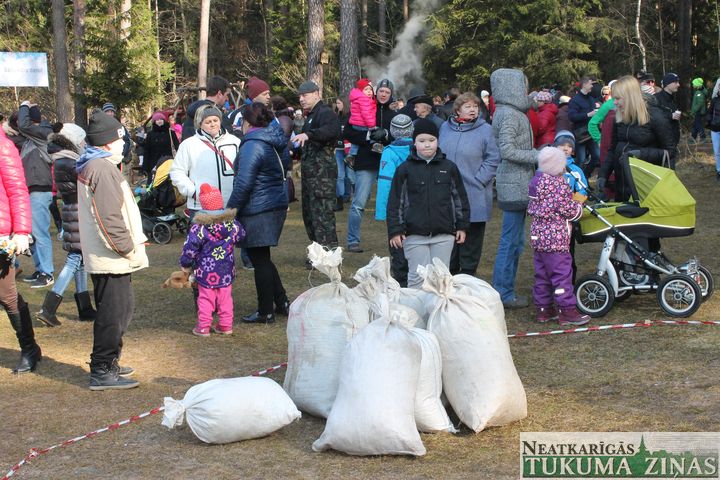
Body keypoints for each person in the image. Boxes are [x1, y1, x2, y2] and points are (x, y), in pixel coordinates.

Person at [76, 110, 149, 390]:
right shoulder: (101, 169)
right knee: (113, 314)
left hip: (110, 255)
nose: (124, 142)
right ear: (107, 142)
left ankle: (110, 360)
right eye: (120, 138)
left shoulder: (100, 165)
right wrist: (127, 247)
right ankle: (102, 368)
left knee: (122, 309)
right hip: (110, 255)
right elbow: (108, 217)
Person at [227, 103, 291, 324]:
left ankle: (265, 310)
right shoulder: (273, 139)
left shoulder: (252, 144)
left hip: (258, 206)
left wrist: (230, 210)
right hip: (273, 203)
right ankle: (281, 301)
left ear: (246, 122)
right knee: (262, 257)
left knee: (259, 259)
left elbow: (244, 182)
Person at [387, 118, 470, 289]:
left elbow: (459, 199)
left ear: (438, 141)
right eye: (422, 141)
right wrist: (396, 230)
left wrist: (462, 226)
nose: (427, 145)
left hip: (444, 234)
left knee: (441, 279)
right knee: (418, 278)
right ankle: (415, 307)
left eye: (431, 140)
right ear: (414, 142)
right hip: (414, 235)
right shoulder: (404, 169)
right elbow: (395, 202)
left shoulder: (449, 168)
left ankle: (439, 307)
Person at [36, 124, 97, 327]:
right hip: (78, 212)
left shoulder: (63, 160)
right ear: (74, 141)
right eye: (82, 141)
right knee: (74, 259)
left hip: (74, 211)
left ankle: (85, 308)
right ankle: (48, 309)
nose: (84, 144)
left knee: (80, 259)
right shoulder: (69, 162)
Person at [490, 68, 539, 309]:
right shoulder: (509, 115)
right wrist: (538, 155)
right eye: (523, 87)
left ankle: (505, 290)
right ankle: (503, 292)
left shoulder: (511, 111)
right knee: (510, 242)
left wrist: (535, 101)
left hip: (517, 183)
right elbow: (507, 150)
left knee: (515, 242)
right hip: (513, 184)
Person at [439, 92, 500, 276]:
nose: (473, 110)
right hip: (447, 193)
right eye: (468, 106)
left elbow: (493, 158)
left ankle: (467, 277)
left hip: (475, 193)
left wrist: (480, 180)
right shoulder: (445, 128)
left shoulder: (486, 130)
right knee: (449, 241)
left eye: (475, 106)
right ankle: (449, 277)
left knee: (471, 242)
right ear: (458, 110)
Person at [527, 147, 589, 326]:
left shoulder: (536, 181)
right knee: (562, 275)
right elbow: (568, 209)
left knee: (542, 275)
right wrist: (578, 207)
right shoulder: (557, 184)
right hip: (555, 238)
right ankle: (567, 310)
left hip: (539, 237)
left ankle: (544, 309)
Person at [0, 125, 41, 374]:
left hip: (1, 234)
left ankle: (29, 348)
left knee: (6, 295)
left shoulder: (3, 145)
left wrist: (22, 231)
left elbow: (17, 190)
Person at [597, 75, 677, 201]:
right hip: (622, 185)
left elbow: (670, 151)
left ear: (630, 97)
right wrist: (603, 175)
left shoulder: (656, 116)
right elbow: (613, 149)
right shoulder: (619, 117)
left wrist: (641, 154)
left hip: (646, 186)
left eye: (617, 98)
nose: (614, 102)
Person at [180, 183, 245, 336]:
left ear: (203, 205)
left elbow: (190, 248)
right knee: (225, 298)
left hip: (205, 271)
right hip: (226, 270)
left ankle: (203, 327)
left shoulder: (199, 228)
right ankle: (226, 325)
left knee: (205, 298)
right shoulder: (233, 225)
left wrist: (185, 263)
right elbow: (242, 235)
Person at [341, 78, 397, 253]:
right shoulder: (363, 106)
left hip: (387, 163)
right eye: (381, 91)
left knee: (393, 203)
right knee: (359, 202)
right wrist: (367, 137)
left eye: (387, 92)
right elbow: (348, 131)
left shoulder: (394, 115)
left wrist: (385, 135)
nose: (383, 94)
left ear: (391, 95)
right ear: (376, 92)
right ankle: (353, 241)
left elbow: (399, 137)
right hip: (366, 161)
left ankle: (396, 239)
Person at [170, 105, 241, 219]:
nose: (213, 124)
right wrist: (194, 192)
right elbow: (177, 172)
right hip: (201, 205)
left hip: (231, 203)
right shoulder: (189, 145)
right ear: (200, 124)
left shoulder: (235, 142)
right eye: (208, 122)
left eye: (215, 120)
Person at [295, 81, 341, 252]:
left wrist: (309, 134)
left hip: (322, 176)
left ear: (316, 94)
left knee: (322, 214)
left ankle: (328, 252)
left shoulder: (325, 113)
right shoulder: (312, 115)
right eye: (300, 96)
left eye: (304, 95)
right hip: (311, 174)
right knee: (310, 214)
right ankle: (318, 252)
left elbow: (332, 130)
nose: (301, 99)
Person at [16, 101, 55, 288]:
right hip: (31, 190)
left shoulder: (42, 134)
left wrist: (23, 105)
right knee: (32, 233)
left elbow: (23, 125)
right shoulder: (29, 140)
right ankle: (40, 269)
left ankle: (47, 273)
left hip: (40, 190)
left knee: (40, 233)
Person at [375, 114, 414, 286]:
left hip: (397, 209)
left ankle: (402, 285)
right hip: (417, 207)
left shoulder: (389, 153)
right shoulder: (419, 149)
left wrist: (382, 212)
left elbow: (385, 183)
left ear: (391, 131)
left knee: (398, 248)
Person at [567, 75, 602, 176]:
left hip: (591, 132)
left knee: (597, 156)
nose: (592, 86)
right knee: (581, 160)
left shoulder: (591, 98)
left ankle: (585, 176)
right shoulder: (574, 100)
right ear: (584, 84)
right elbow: (572, 117)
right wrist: (588, 114)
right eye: (591, 84)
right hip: (580, 134)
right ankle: (577, 180)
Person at [181, 75, 232, 141]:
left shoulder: (191, 115)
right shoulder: (217, 116)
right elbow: (228, 139)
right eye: (227, 95)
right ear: (219, 94)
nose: (227, 99)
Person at [142, 111, 180, 184]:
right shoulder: (150, 134)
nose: (159, 121)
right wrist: (145, 166)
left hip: (168, 162)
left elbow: (177, 147)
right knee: (153, 184)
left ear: (164, 120)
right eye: (157, 120)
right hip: (154, 164)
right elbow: (147, 151)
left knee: (168, 183)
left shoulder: (170, 132)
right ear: (154, 122)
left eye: (161, 119)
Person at [346, 78, 378, 163]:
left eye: (370, 89)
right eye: (366, 89)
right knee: (374, 133)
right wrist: (372, 126)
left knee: (356, 143)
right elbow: (366, 114)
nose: (369, 91)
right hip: (362, 124)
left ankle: (351, 154)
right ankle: (376, 146)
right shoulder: (364, 100)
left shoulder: (357, 98)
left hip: (356, 124)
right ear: (361, 91)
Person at [655, 73, 682, 156]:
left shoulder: (672, 98)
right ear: (667, 84)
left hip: (672, 141)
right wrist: (671, 116)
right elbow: (653, 117)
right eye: (675, 82)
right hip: (661, 144)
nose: (678, 85)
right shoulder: (656, 98)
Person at [333, 96, 353, 211]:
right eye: (336, 103)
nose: (337, 105)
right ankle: (339, 200)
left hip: (349, 149)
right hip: (339, 150)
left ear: (344, 104)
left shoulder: (351, 116)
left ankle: (348, 195)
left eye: (339, 103)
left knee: (350, 175)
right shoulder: (336, 117)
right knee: (340, 175)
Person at [706, 77, 720, 181]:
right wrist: (709, 121)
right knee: (717, 151)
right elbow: (709, 113)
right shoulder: (714, 100)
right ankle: (719, 171)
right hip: (715, 129)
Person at [690, 77, 708, 143]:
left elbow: (700, 104)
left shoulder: (698, 93)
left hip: (698, 112)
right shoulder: (700, 91)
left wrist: (693, 111)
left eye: (694, 84)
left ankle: (703, 137)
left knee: (698, 124)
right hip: (699, 111)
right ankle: (693, 137)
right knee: (695, 124)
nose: (693, 85)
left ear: (697, 85)